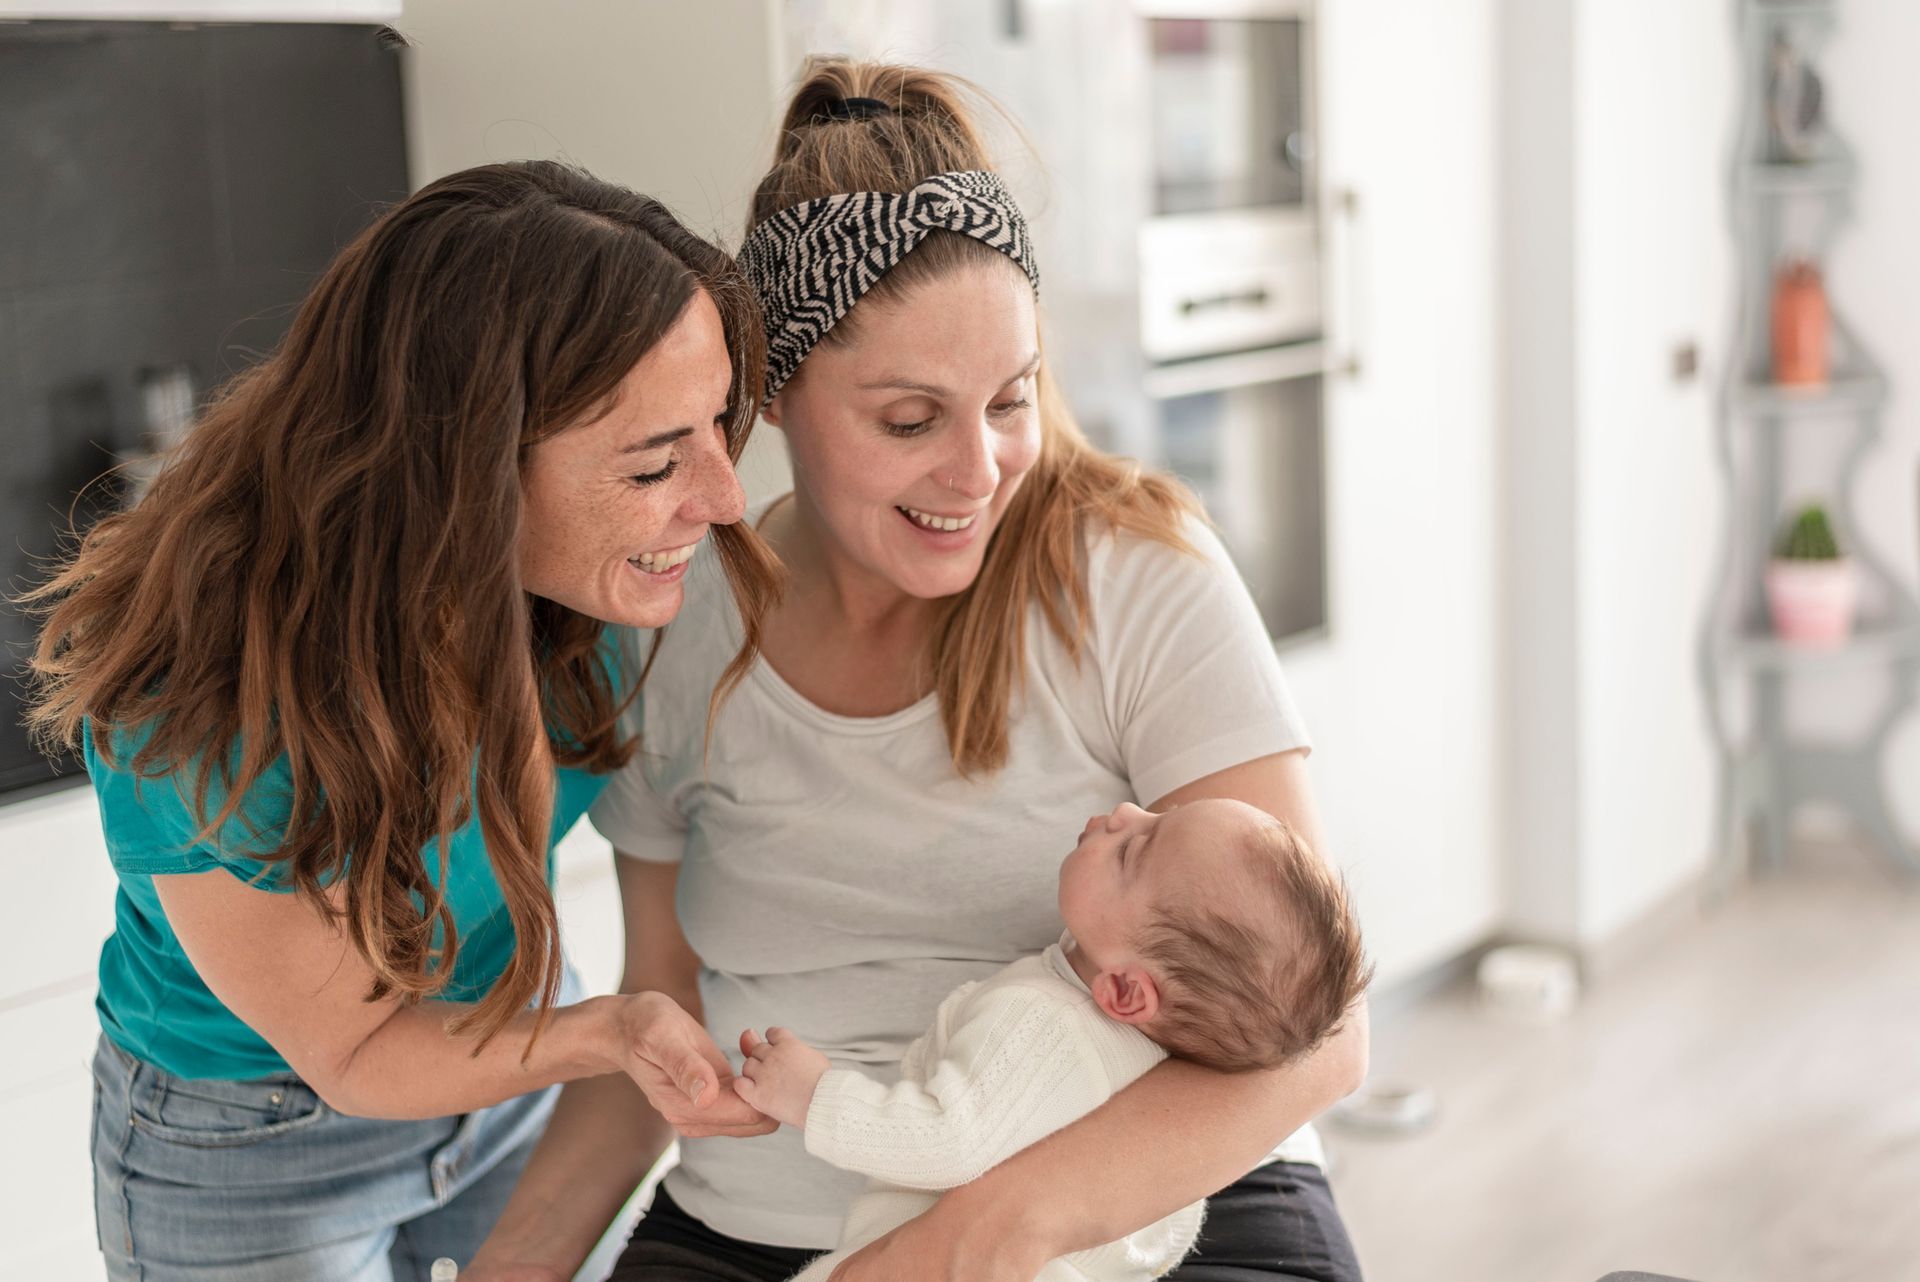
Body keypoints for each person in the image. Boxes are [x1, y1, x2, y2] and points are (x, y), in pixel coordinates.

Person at [471, 59, 1369, 1282]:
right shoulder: (672, 620)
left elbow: (1320, 1032)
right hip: (764, 1227)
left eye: (1010, 400)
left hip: (1154, 1216)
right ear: (770, 395)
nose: (981, 469)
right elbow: (657, 1016)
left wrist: (977, 1236)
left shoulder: (1137, 576)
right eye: (910, 420)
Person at [23, 161, 782, 1281]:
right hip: (252, 1143)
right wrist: (608, 1033)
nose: (720, 496)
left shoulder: (591, 596)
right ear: (467, 464)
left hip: (514, 1058)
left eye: (718, 425)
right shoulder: (197, 707)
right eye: (657, 458)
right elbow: (358, 1046)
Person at [732, 797, 1373, 1282]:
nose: (1125, 811)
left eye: (1133, 851)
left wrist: (812, 1094)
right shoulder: (1144, 1068)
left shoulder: (1042, 1026)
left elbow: (944, 1140)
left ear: (1126, 993)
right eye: (1154, 815)